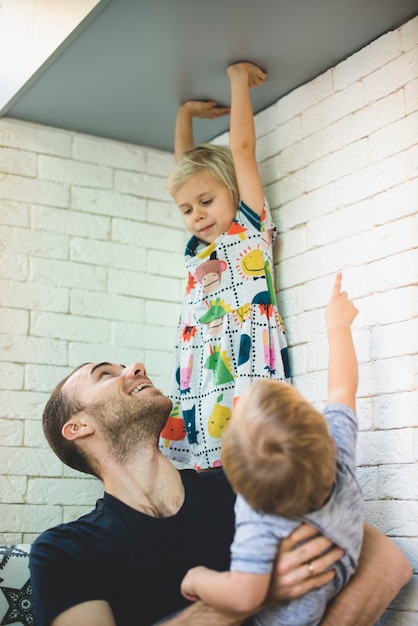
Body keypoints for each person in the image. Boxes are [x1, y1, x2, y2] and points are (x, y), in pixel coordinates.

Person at [29, 358, 411, 626]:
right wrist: (253, 595)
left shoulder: (247, 480)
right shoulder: (63, 551)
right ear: (76, 427)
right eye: (105, 375)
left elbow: (387, 562)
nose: (136, 368)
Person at [180, 273, 363, 625]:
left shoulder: (259, 516)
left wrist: (197, 579)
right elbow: (342, 390)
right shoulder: (336, 452)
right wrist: (338, 326)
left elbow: (242, 594)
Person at [160, 62, 290, 470]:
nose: (196, 214)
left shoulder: (248, 227)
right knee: (203, 464)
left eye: (206, 202)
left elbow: (243, 151)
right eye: (186, 209)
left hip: (244, 359)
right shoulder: (198, 246)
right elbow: (187, 174)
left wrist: (238, 82)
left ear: (233, 191)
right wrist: (184, 115)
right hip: (199, 367)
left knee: (255, 455)